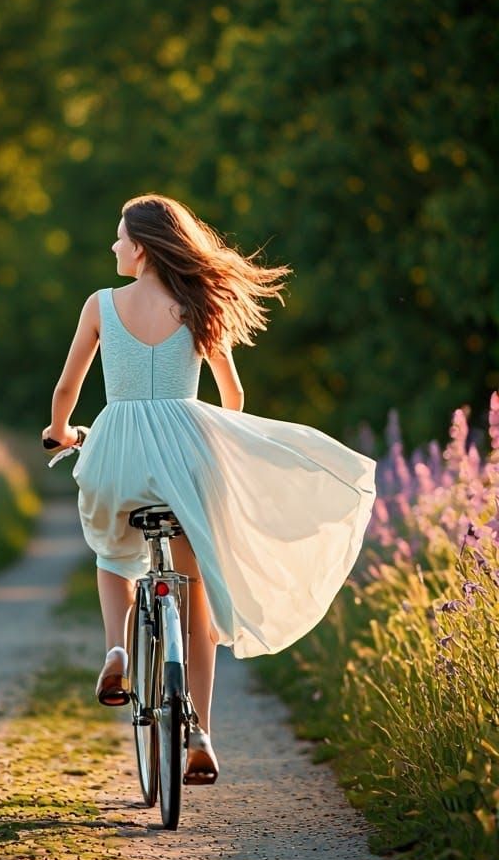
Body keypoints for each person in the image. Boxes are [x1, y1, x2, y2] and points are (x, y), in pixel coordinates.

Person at [42, 193, 377, 785]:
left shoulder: (100, 304)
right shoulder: (198, 304)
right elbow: (235, 396)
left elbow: (66, 390)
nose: (114, 246)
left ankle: (116, 652)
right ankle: (200, 731)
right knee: (195, 597)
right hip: (189, 460)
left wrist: (61, 432)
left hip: (114, 452)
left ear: (140, 247)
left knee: (111, 555)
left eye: (120, 237)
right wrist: (214, 439)